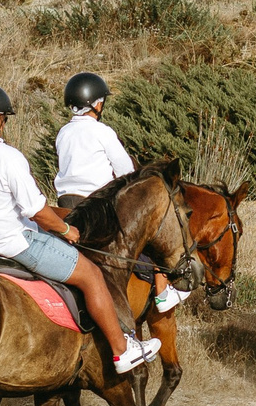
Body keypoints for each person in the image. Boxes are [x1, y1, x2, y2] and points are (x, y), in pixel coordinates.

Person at [0, 82, 156, 375]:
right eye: (4, 117)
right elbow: (37, 211)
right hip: (18, 245)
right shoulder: (7, 156)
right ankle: (122, 350)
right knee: (91, 275)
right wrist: (66, 231)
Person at [55, 71, 187, 315]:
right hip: (98, 205)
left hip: (66, 203)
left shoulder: (63, 133)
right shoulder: (102, 132)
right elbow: (126, 171)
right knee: (147, 233)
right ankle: (162, 292)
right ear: (97, 104)